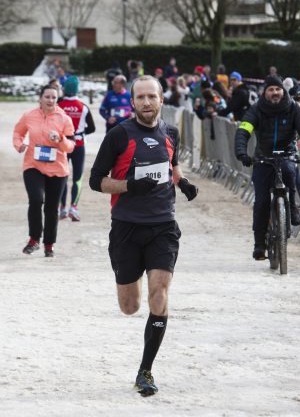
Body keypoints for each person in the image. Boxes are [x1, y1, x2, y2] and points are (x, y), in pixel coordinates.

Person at [89, 75, 198, 396]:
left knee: (159, 296)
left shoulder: (171, 133)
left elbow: (172, 165)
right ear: (132, 102)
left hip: (164, 226)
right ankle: (129, 284)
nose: (147, 102)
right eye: (141, 98)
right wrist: (129, 186)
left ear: (162, 99)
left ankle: (145, 371)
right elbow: (96, 181)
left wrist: (183, 181)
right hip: (126, 227)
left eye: (152, 96)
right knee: (129, 306)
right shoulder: (119, 135)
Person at [235, 75, 300, 260]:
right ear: (265, 92)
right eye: (271, 89)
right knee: (262, 202)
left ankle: (293, 207)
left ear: (284, 91)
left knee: (289, 173)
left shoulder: (294, 107)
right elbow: (243, 130)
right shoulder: (256, 109)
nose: (275, 93)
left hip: (286, 155)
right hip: (263, 158)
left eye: (278, 89)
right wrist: (242, 153)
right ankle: (259, 243)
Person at [13, 84, 75, 257]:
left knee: (51, 208)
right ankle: (34, 239)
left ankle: (49, 244)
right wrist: (19, 145)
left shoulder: (64, 119)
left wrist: (60, 138)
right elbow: (18, 133)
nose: (50, 100)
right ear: (40, 98)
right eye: (47, 97)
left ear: (57, 99)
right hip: (33, 165)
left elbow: (70, 147)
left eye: (53, 97)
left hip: (58, 169)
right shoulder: (29, 116)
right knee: (35, 199)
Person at [58, 76, 96, 221]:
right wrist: (80, 132)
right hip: (79, 145)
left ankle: (62, 209)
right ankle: (74, 207)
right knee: (78, 178)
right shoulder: (83, 107)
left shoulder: (59, 105)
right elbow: (92, 128)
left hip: (62, 145)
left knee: (63, 176)